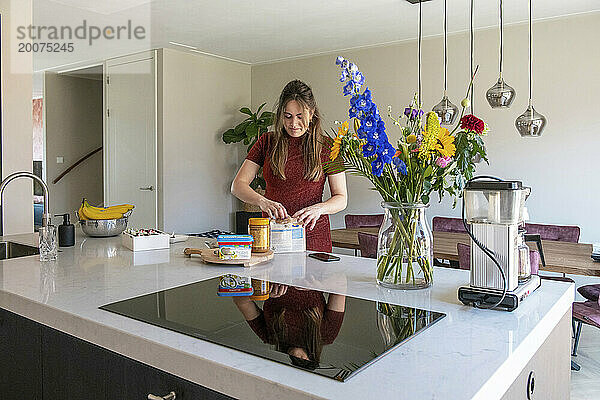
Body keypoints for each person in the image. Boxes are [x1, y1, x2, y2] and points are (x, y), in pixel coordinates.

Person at [231, 80, 347, 252]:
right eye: (288, 116)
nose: (293, 123)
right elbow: (237, 186)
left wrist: (319, 209)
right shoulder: (267, 142)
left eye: (300, 116)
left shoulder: (328, 146)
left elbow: (341, 198)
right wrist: (262, 201)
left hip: (314, 239)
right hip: (272, 237)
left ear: (312, 113)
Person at [233, 283, 346, 369]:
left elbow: (239, 300)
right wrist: (318, 284)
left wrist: (263, 293)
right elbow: (341, 284)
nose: (297, 362)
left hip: (272, 263)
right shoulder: (326, 335)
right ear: (313, 362)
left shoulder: (269, 336)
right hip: (310, 261)